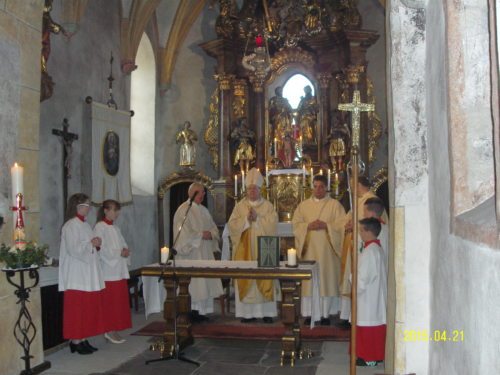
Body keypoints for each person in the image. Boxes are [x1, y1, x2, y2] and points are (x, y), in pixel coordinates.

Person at [228, 168, 279, 323]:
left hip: (265, 247)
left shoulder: (268, 206)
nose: (252, 191)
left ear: (260, 189)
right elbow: (232, 225)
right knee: (247, 276)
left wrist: (257, 219)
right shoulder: (239, 206)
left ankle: (267, 313)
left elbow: (272, 225)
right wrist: (246, 220)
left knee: (265, 276)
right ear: (246, 190)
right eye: (249, 188)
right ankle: (247, 314)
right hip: (245, 249)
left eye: (254, 188)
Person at [292, 175, 345, 325]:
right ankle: (309, 313)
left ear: (326, 187)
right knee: (310, 281)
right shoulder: (303, 206)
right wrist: (308, 226)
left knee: (326, 280)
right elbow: (296, 225)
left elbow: (342, 225)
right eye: (315, 186)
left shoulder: (335, 205)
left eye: (321, 186)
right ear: (312, 187)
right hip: (310, 251)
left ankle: (326, 313)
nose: (318, 189)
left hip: (328, 253)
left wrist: (326, 226)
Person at [58, 193, 104, 355]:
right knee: (77, 309)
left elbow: (88, 247)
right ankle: (75, 340)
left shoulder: (85, 225)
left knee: (85, 308)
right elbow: (74, 250)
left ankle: (82, 338)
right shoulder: (70, 226)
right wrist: (91, 244)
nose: (89, 208)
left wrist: (96, 245)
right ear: (78, 206)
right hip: (76, 273)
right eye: (86, 205)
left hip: (87, 272)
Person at [339, 176, 388, 322]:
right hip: (369, 292)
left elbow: (360, 281)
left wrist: (354, 228)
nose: (351, 189)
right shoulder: (360, 201)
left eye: (353, 185)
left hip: (369, 301)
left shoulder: (370, 200)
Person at [173, 183, 223, 321]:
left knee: (203, 282)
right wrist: (201, 235)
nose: (203, 195)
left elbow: (213, 228)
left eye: (203, 192)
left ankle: (201, 312)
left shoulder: (204, 210)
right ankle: (190, 311)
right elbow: (182, 234)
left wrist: (211, 234)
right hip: (192, 253)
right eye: (201, 192)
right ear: (193, 193)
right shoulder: (183, 210)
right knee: (195, 284)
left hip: (204, 251)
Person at [94, 199, 131, 344]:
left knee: (117, 302)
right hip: (108, 271)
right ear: (105, 210)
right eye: (114, 210)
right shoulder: (99, 227)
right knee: (110, 302)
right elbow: (102, 250)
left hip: (118, 270)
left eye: (117, 210)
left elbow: (123, 244)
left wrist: (126, 251)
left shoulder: (115, 229)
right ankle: (108, 330)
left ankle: (114, 328)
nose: (117, 213)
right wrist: (119, 253)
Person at [355, 217, 387, 367]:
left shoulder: (369, 252)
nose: (360, 233)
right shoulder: (375, 248)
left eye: (361, 230)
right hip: (374, 295)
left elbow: (362, 280)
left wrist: (352, 277)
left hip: (369, 297)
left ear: (368, 231)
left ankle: (370, 358)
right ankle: (375, 355)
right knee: (374, 323)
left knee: (368, 324)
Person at [363, 197, 389, 272]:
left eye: (365, 211)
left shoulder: (372, 231)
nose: (364, 215)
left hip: (372, 273)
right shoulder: (386, 228)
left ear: (372, 214)